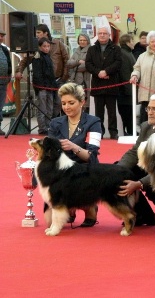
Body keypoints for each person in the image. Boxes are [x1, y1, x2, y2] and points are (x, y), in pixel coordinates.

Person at [117, 93, 155, 234]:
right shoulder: (146, 127)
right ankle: (144, 215)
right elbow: (134, 152)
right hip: (151, 169)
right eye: (148, 108)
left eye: (154, 109)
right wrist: (117, 170)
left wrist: (139, 184)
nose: (149, 112)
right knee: (122, 172)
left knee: (153, 185)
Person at [46, 82, 102, 227]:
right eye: (63, 103)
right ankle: (68, 208)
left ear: (82, 102)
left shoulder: (93, 122)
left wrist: (74, 147)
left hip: (84, 169)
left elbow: (91, 156)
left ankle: (88, 205)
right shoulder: (55, 123)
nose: (66, 107)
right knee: (48, 222)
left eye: (71, 103)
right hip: (61, 172)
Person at [15, 23, 69, 119]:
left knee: (58, 103)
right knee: (44, 106)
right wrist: (19, 71)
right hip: (43, 82)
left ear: (46, 33)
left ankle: (52, 122)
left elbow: (66, 60)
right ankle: (47, 125)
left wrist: (64, 77)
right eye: (36, 33)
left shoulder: (58, 43)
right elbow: (25, 60)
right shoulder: (35, 47)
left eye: (38, 32)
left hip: (58, 80)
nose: (36, 35)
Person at [86, 20, 122, 140]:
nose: (102, 35)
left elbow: (118, 63)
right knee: (98, 112)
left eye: (104, 33)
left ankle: (113, 132)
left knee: (112, 112)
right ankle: (99, 132)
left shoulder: (116, 48)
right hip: (98, 84)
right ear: (97, 35)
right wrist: (98, 73)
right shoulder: (92, 49)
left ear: (109, 35)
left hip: (111, 84)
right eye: (100, 33)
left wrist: (106, 72)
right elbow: (88, 64)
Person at [130, 30, 155, 124]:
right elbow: (137, 68)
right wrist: (134, 76)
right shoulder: (142, 56)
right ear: (148, 43)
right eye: (152, 41)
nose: (154, 44)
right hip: (145, 94)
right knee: (144, 118)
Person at [31, 37, 58, 134]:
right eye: (44, 46)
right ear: (40, 47)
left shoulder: (48, 56)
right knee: (42, 109)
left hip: (50, 86)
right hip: (42, 87)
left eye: (48, 46)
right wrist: (40, 87)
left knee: (50, 108)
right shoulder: (37, 57)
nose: (46, 48)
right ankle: (42, 128)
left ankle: (48, 126)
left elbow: (51, 73)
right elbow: (37, 74)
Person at [66, 33, 91, 112]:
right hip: (76, 80)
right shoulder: (76, 50)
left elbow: (86, 66)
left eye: (84, 40)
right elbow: (68, 63)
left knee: (86, 102)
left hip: (86, 80)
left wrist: (74, 65)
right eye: (80, 40)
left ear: (88, 41)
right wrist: (78, 62)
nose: (82, 42)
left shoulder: (90, 50)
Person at [118, 33, 136, 136]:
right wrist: (128, 90)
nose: (133, 43)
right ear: (127, 42)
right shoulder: (124, 54)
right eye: (132, 41)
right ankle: (128, 132)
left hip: (128, 89)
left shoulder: (128, 53)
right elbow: (125, 73)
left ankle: (130, 131)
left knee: (129, 113)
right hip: (126, 91)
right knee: (127, 113)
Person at [0, 29, 11, 135]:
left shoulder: (4, 49)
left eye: (2, 36)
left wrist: (9, 76)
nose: (0, 38)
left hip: (3, 83)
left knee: (0, 105)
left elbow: (9, 64)